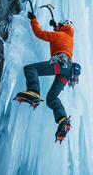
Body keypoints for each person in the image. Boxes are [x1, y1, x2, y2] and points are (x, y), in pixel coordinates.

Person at [16, 11, 74, 142]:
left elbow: (40, 34)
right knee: (52, 98)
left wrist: (33, 19)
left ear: (63, 26)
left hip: (59, 64)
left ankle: (34, 91)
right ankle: (62, 120)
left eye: (59, 25)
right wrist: (56, 27)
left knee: (30, 69)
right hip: (67, 72)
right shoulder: (69, 37)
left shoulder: (59, 35)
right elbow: (58, 40)